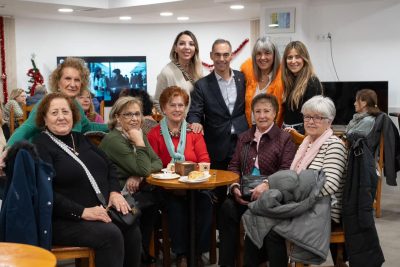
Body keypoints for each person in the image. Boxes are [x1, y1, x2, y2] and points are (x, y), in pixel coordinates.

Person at [32, 93, 141, 267]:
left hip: (102, 210)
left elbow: (109, 167)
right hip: (65, 219)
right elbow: (45, 193)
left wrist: (114, 192)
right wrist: (83, 212)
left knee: (131, 228)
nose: (61, 117)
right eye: (54, 113)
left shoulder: (80, 139)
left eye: (65, 112)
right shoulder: (40, 145)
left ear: (73, 115)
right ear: (44, 119)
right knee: (110, 234)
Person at [243, 95, 347, 266]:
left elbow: (329, 186)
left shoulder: (334, 145)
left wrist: (290, 194)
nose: (311, 121)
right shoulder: (307, 142)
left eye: (318, 117)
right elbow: (293, 177)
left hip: (321, 208)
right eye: (307, 116)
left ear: (329, 121)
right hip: (301, 203)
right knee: (257, 215)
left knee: (271, 228)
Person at [218, 94, 296, 267]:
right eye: (258, 111)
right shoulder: (244, 136)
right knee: (226, 208)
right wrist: (235, 186)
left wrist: (267, 185)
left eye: (267, 111)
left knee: (263, 218)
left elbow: (286, 170)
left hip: (270, 197)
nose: (262, 116)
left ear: (275, 113)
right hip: (244, 194)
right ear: (252, 113)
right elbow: (234, 165)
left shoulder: (284, 138)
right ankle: (227, 263)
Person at [147, 86, 211, 267]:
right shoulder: (154, 134)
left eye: (181, 105)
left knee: (205, 203)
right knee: (176, 207)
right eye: (172, 105)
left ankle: (198, 252)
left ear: (185, 108)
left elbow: (204, 160)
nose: (177, 109)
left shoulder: (194, 132)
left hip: (194, 186)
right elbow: (152, 166)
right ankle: (182, 253)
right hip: (166, 189)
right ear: (164, 109)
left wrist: (189, 173)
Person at [99, 96, 163, 264]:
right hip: (113, 195)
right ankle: (139, 254)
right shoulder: (114, 139)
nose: (134, 119)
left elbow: (158, 162)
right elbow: (144, 167)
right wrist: (140, 144)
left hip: (133, 190)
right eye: (128, 114)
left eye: (137, 114)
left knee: (155, 200)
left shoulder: (136, 133)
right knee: (152, 200)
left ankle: (142, 252)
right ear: (118, 117)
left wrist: (137, 175)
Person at [187, 39, 248, 214]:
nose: (222, 59)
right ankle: (219, 234)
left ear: (232, 56)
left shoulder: (242, 78)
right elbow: (195, 111)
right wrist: (195, 122)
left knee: (241, 189)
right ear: (212, 56)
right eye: (218, 55)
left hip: (242, 143)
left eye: (226, 54)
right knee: (217, 193)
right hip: (216, 145)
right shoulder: (202, 85)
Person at [7, 57, 108, 147]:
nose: (73, 84)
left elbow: (88, 127)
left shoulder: (75, 105)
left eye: (77, 80)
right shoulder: (48, 103)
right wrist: (8, 151)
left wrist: (114, 125)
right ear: (58, 82)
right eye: (68, 78)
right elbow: (27, 128)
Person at [240, 37, 284, 126]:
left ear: (274, 55)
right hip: (250, 129)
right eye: (259, 54)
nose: (262, 57)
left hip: (274, 131)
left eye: (267, 53)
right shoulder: (246, 75)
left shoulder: (284, 78)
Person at [154, 30, 203, 111]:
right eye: (182, 43)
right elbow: (157, 103)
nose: (187, 47)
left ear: (195, 49)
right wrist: (171, 122)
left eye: (191, 44)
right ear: (175, 48)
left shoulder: (198, 69)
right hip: (179, 122)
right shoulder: (167, 72)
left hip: (197, 121)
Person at [282, 41, 323, 134]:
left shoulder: (312, 82)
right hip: (287, 130)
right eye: (289, 57)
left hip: (302, 132)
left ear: (304, 59)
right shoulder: (289, 80)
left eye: (297, 57)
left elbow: (314, 116)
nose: (293, 61)